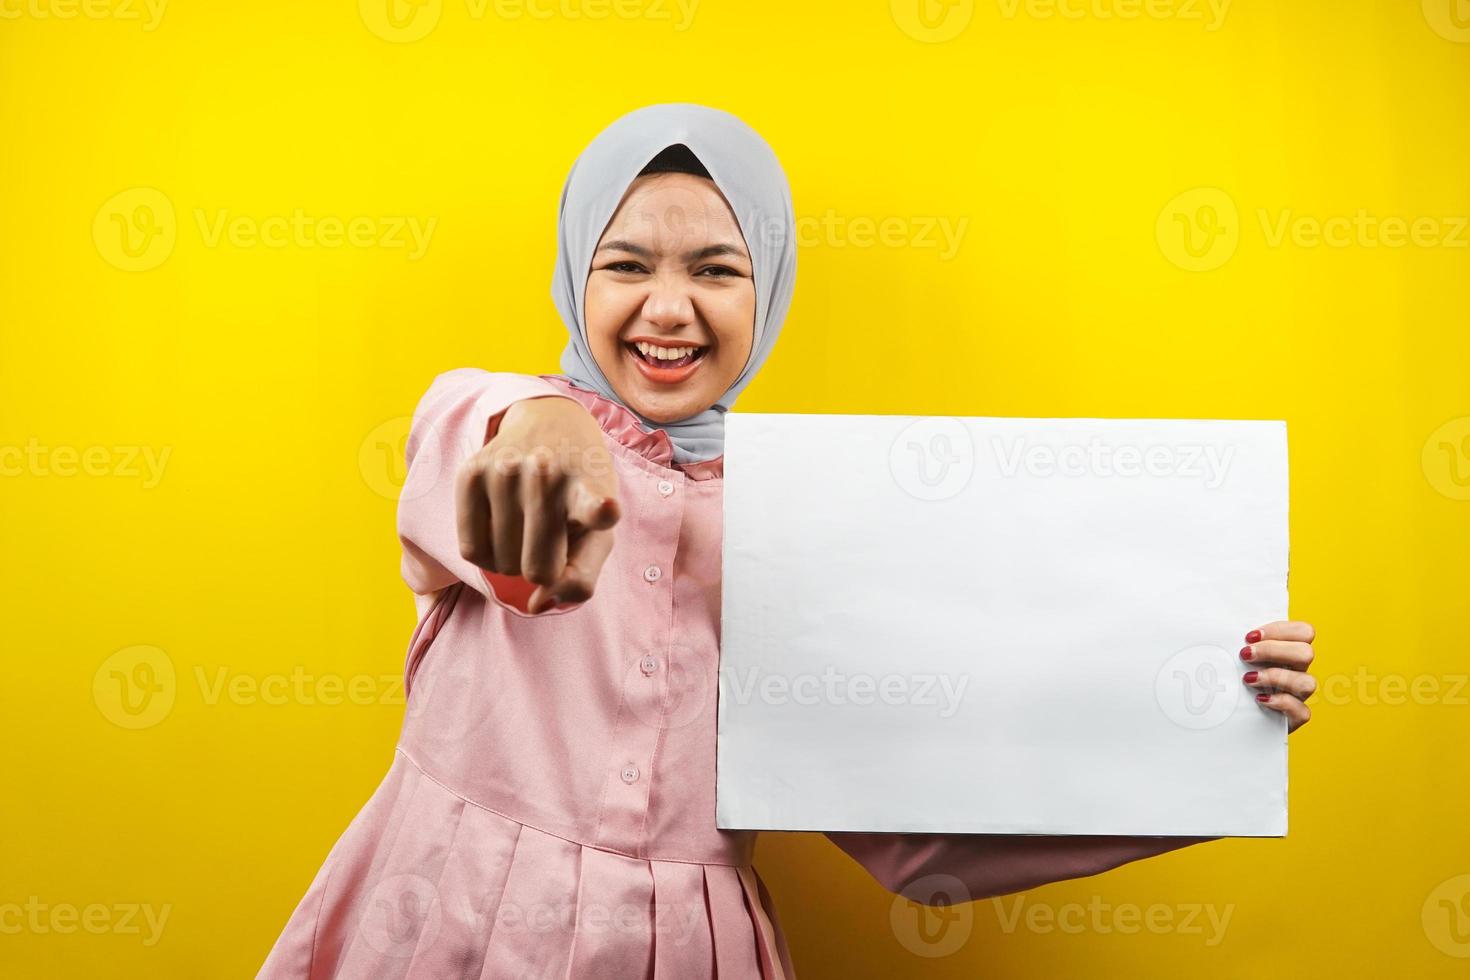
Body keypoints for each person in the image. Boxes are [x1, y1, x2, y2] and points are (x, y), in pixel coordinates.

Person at [257, 102, 1318, 979]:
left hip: (685, 953)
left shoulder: (809, 524)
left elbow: (916, 839)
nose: (667, 307)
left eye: (716, 269)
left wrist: (1207, 741)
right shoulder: (487, 417)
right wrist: (544, 421)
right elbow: (479, 452)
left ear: (768, 290)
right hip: (439, 922)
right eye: (626, 263)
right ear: (576, 273)